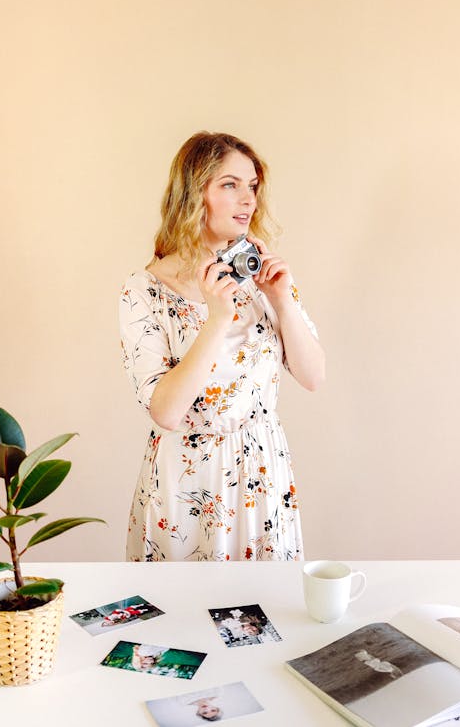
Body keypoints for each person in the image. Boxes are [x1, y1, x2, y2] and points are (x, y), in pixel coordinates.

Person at [119, 131, 325, 562]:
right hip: (185, 483)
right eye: (230, 185)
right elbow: (166, 411)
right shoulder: (145, 290)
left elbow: (313, 377)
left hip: (261, 474)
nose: (247, 200)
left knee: (267, 617)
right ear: (194, 193)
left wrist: (281, 300)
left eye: (251, 186)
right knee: (179, 618)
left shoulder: (260, 277)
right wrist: (217, 319)